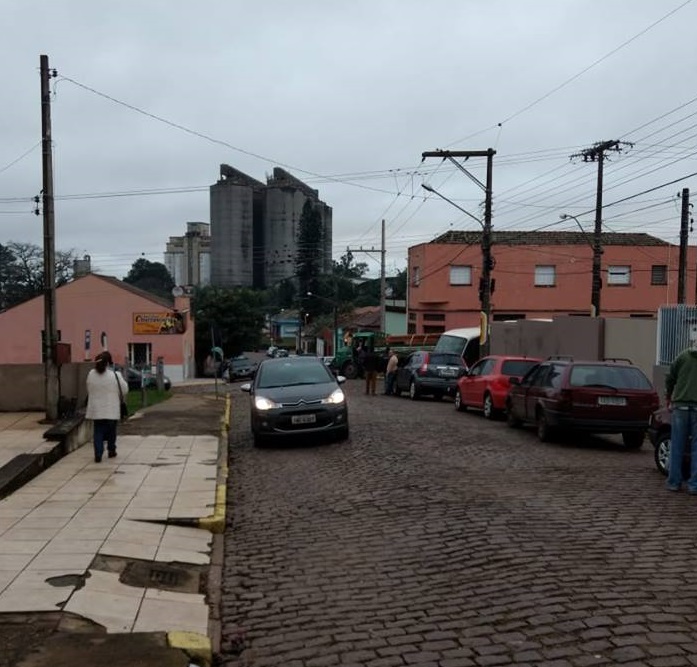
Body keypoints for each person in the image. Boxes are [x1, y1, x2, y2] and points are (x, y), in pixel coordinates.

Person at [665, 342, 697, 492]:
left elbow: (670, 377)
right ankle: (694, 485)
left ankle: (674, 482)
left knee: (677, 445)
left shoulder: (682, 356)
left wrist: (668, 396)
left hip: (680, 407)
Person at [86, 351, 129, 463]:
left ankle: (98, 454)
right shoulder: (115, 375)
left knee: (98, 432)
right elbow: (125, 390)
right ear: (109, 363)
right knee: (111, 431)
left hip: (96, 410)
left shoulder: (91, 374)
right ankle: (111, 450)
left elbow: (88, 387)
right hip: (111, 409)